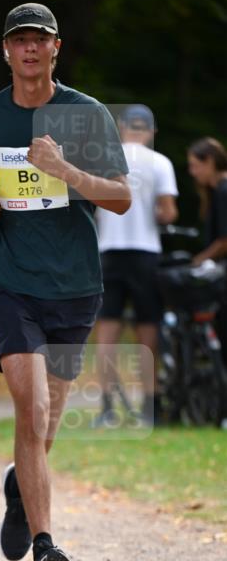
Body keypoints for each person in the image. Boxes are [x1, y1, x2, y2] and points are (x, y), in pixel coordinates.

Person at [0, 2, 130, 561]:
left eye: (40, 39)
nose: (29, 49)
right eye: (18, 40)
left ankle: (17, 486)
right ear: (6, 51)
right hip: (11, 284)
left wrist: (66, 170)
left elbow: (122, 199)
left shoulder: (87, 114)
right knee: (30, 412)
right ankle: (46, 548)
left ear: (57, 48)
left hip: (75, 287)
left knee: (44, 427)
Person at [95, 105, 178, 427]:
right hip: (145, 254)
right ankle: (150, 408)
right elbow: (168, 212)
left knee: (106, 334)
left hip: (109, 253)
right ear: (152, 131)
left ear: (120, 127)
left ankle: (106, 408)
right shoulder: (160, 163)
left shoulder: (102, 160)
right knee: (148, 332)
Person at [187, 137, 227, 365]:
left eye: (195, 165)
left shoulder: (223, 191)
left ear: (210, 161)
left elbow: (224, 240)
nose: (192, 172)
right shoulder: (215, 193)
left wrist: (198, 261)